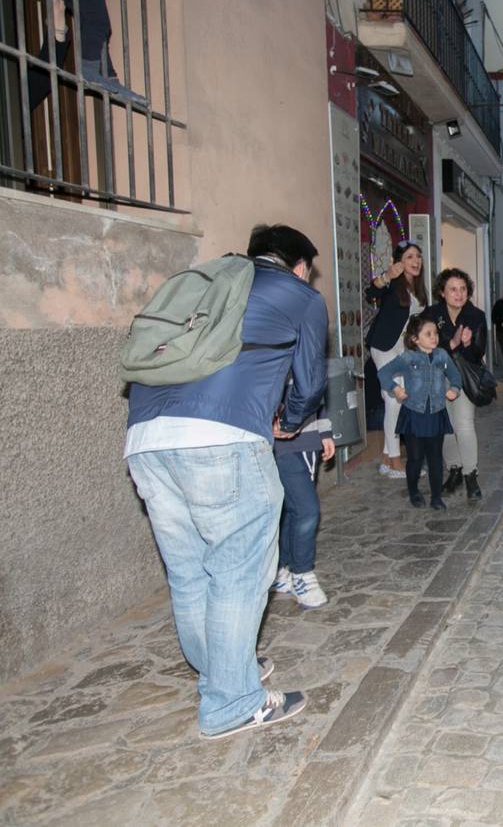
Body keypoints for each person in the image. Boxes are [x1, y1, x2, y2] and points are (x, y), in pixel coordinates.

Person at [125, 224, 327, 738]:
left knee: (190, 572)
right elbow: (309, 381)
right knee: (238, 569)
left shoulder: (208, 280)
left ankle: (222, 672)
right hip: (223, 436)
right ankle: (232, 701)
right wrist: (290, 422)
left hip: (146, 439)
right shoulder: (301, 295)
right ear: (300, 266)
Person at [377, 316, 463, 510]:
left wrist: (454, 389)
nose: (434, 337)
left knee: (435, 457)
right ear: (415, 339)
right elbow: (383, 373)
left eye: (436, 333)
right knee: (415, 458)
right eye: (428, 334)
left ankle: (436, 497)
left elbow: (455, 376)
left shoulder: (442, 356)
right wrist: (395, 389)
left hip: (436, 413)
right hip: (414, 414)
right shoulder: (408, 358)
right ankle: (414, 490)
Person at [365, 240, 428, 478]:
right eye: (410, 256)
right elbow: (371, 293)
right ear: (400, 261)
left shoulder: (420, 289)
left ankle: (386, 460)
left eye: (418, 256)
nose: (416, 261)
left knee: (398, 400)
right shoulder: (393, 284)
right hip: (383, 347)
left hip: (403, 349)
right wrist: (385, 276)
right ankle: (395, 462)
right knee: (395, 399)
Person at [424, 267, 487, 501]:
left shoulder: (476, 315)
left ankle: (471, 474)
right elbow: (424, 348)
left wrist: (470, 344)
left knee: (464, 424)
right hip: (437, 378)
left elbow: (480, 351)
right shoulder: (431, 314)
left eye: (462, 289)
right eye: (453, 289)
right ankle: (455, 469)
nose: (458, 294)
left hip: (462, 377)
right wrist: (452, 343)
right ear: (442, 292)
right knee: (445, 427)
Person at [271, 396, 336, 609]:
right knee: (307, 510)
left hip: (308, 442)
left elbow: (316, 395)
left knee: (293, 509)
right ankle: (302, 573)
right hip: (280, 444)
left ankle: (281, 570)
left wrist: (324, 433)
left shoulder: (309, 362)